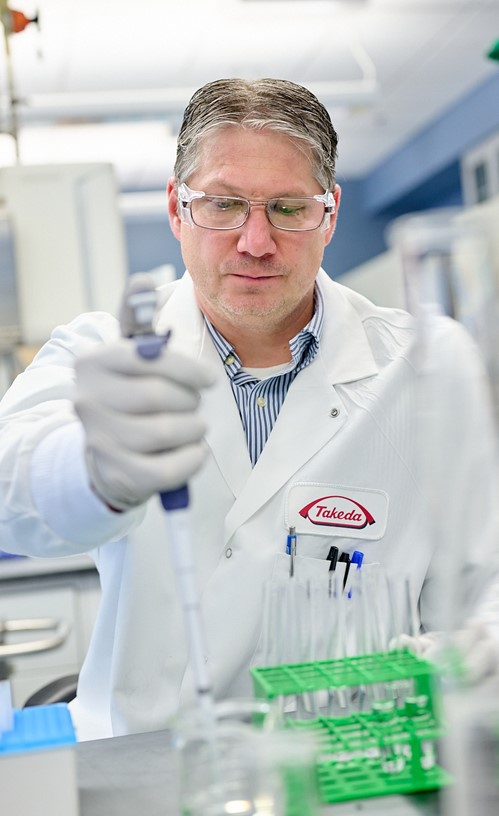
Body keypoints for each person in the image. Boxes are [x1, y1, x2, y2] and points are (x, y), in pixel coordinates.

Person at [0, 77, 498, 740]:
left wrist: (459, 664)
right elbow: (10, 490)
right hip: (150, 761)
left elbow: (483, 582)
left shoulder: (428, 366)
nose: (255, 241)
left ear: (330, 214)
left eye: (287, 209)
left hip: (354, 761)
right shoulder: (101, 351)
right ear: (177, 209)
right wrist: (92, 471)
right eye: (224, 204)